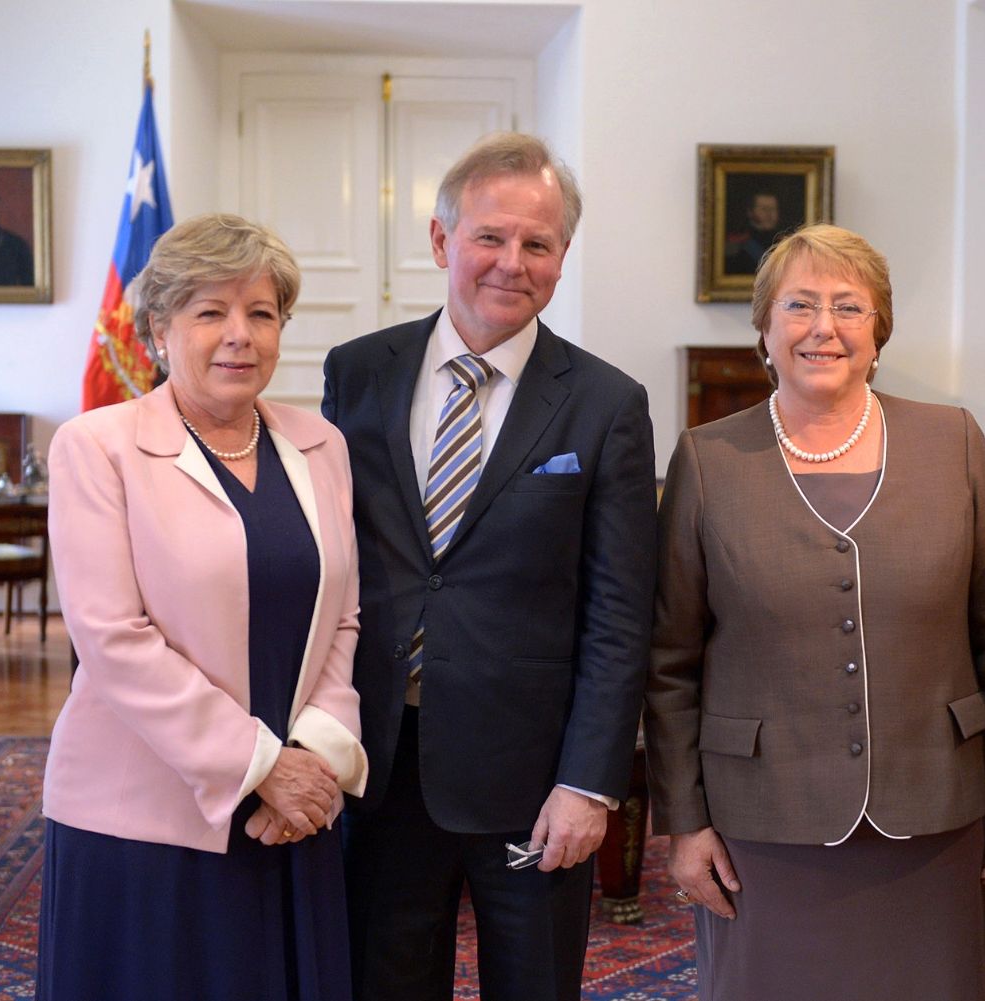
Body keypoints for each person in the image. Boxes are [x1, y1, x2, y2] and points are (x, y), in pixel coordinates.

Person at [647, 223, 985, 1000]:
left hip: (936, 807)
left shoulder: (954, 442)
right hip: (762, 819)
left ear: (877, 330)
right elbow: (669, 661)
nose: (823, 328)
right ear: (764, 329)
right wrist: (683, 823)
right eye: (799, 305)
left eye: (848, 307)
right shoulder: (707, 459)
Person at [324, 132, 657, 1001]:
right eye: (490, 237)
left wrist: (590, 782)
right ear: (442, 242)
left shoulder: (606, 404)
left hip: (533, 778)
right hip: (380, 764)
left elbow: (621, 611)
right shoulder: (356, 374)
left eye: (537, 244)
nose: (512, 263)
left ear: (561, 257)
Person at [38, 213, 368, 1000]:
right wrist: (261, 767)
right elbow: (112, 637)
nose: (239, 336)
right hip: (146, 814)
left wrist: (315, 756)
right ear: (159, 328)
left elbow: (345, 617)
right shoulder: (97, 446)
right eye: (209, 312)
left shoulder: (321, 445)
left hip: (290, 815)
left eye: (260, 313)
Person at [724, 189, 782, 274]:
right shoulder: (736, 242)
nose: (770, 214)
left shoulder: (783, 242)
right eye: (764, 209)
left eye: (773, 209)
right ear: (750, 212)